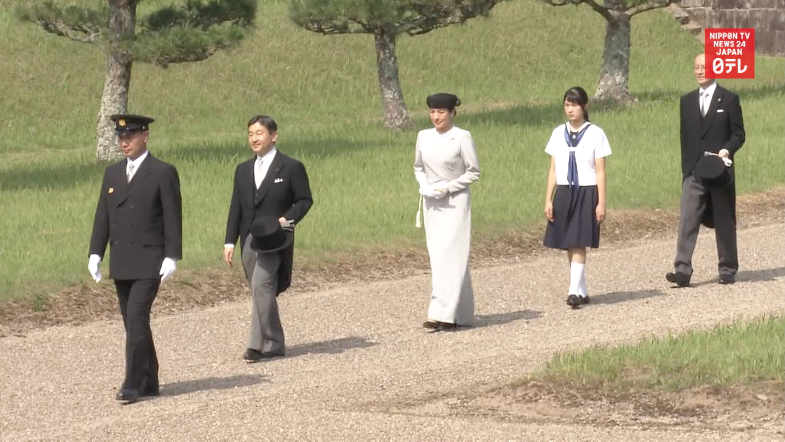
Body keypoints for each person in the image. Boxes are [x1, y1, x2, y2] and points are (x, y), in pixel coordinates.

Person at [88, 114, 182, 404]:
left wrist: (172, 255)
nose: (124, 142)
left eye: (130, 136)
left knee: (137, 317)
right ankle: (150, 377)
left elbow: (172, 216)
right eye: (121, 137)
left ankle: (131, 381)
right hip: (123, 260)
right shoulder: (113, 174)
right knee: (132, 323)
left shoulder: (162, 172)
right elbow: (103, 215)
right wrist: (95, 252)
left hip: (149, 259)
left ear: (145, 136)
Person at [224, 115, 313, 362]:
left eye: (259, 133)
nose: (254, 138)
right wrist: (229, 241)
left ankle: (257, 344)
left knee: (262, 285)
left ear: (273, 135)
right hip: (249, 240)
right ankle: (275, 341)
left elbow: (305, 200)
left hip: (275, 240)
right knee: (260, 290)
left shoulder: (291, 167)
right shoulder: (242, 170)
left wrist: (287, 219)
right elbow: (236, 208)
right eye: (250, 133)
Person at [666, 53, 745, 287]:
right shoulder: (686, 101)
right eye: (696, 67)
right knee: (687, 220)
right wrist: (686, 167)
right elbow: (685, 136)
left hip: (720, 171)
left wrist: (726, 151)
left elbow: (739, 134)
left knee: (724, 219)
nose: (699, 71)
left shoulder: (729, 99)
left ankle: (728, 268)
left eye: (704, 67)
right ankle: (682, 269)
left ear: (715, 69)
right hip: (694, 170)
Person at [414, 93, 480, 331]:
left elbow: (473, 171)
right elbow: (418, 167)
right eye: (433, 112)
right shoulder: (423, 136)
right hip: (432, 202)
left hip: (455, 201)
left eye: (441, 112)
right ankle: (461, 314)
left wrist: (448, 188)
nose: (436, 117)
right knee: (440, 255)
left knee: (450, 255)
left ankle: (440, 313)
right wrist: (425, 186)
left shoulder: (462, 137)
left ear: (452, 113)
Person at [543, 87, 611, 308]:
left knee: (579, 241)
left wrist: (601, 202)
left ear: (585, 107)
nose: (570, 109)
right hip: (565, 190)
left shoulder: (596, 133)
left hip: (586, 190)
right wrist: (548, 198)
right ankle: (581, 289)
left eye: (574, 105)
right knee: (568, 243)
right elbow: (553, 169)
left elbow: (600, 170)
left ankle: (572, 292)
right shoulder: (557, 133)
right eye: (567, 105)